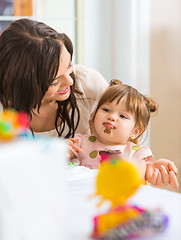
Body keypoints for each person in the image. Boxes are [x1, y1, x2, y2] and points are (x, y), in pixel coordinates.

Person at [0, 18, 178, 189]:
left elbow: (121, 138)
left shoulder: (89, 85)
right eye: (54, 81)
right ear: (24, 84)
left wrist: (147, 170)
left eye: (69, 67)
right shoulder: (5, 114)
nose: (70, 82)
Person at [68, 80, 179, 189]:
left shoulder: (137, 155)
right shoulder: (80, 143)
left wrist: (149, 173)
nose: (112, 117)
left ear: (135, 131)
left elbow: (136, 185)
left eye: (122, 116)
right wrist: (64, 148)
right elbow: (59, 159)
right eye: (106, 109)